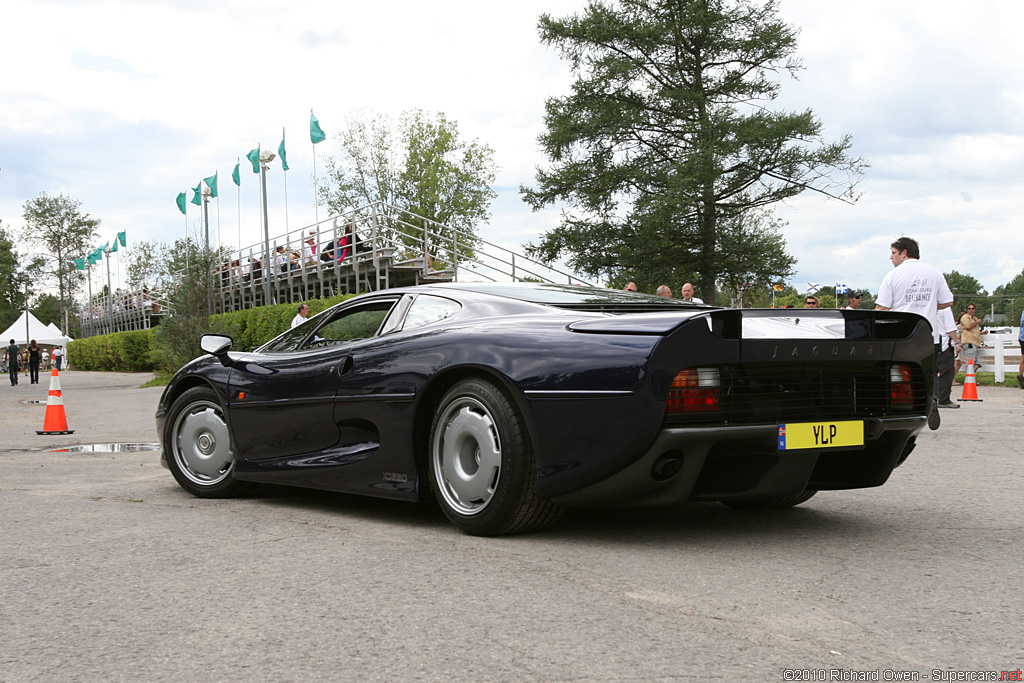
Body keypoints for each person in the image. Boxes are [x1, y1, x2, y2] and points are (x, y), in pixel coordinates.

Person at [875, 237, 953, 431]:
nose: (891, 257)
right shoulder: (934, 273)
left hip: (901, 335)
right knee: (929, 373)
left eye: (893, 253)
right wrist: (928, 304)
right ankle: (932, 400)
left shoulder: (893, 275)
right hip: (928, 334)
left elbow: (882, 307)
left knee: (900, 375)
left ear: (904, 252)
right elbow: (947, 302)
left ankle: (906, 411)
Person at [935, 307, 960, 409]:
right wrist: (957, 342)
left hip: (927, 342)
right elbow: (950, 328)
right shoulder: (945, 309)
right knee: (947, 371)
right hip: (943, 344)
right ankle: (944, 399)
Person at [958, 302, 987, 373]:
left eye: (973, 308)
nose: (971, 310)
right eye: (969, 308)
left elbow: (974, 330)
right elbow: (968, 327)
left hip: (975, 343)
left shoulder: (974, 318)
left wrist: (982, 333)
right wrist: (977, 322)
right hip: (969, 342)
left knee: (978, 362)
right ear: (967, 310)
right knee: (970, 362)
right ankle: (968, 379)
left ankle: (969, 378)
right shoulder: (965, 317)